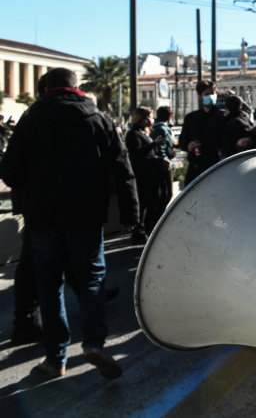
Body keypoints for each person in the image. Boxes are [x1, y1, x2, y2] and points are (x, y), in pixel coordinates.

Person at [0, 67, 138, 379]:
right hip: (86, 217)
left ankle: (55, 359)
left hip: (43, 220)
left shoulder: (31, 119)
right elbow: (123, 168)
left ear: (44, 88)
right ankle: (93, 343)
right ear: (76, 87)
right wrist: (130, 215)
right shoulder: (99, 117)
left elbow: (10, 173)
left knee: (49, 286)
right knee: (91, 280)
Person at [126, 106, 172, 244]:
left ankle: (147, 230)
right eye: (149, 116)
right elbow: (138, 154)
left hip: (150, 174)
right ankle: (142, 231)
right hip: (142, 175)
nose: (152, 120)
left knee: (153, 201)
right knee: (146, 203)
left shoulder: (144, 133)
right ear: (142, 118)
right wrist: (154, 145)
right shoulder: (133, 134)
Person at [178, 80, 225, 186]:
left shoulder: (222, 116)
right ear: (200, 97)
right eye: (206, 94)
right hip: (196, 166)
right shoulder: (191, 118)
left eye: (212, 93)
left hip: (217, 165)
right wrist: (188, 145)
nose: (210, 96)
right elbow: (182, 140)